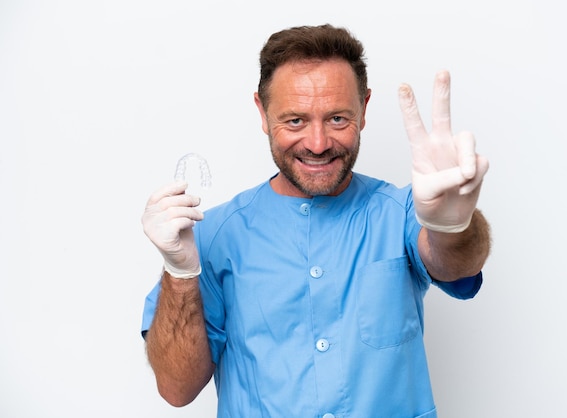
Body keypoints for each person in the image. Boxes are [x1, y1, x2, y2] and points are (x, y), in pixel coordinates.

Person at [141, 24, 491, 418]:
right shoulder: (212, 235)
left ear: (364, 108)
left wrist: (452, 225)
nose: (318, 143)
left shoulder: (403, 212)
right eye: (295, 121)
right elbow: (176, 388)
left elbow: (456, 262)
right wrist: (179, 272)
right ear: (261, 111)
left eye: (338, 118)